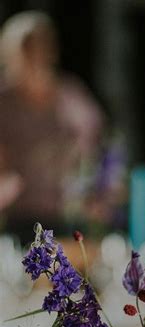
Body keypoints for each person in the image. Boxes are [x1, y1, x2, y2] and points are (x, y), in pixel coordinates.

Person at [0, 12, 105, 242]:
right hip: (14, 217)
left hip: (65, 215)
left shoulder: (71, 97)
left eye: (41, 46)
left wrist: (95, 187)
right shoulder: (3, 101)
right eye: (27, 48)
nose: (36, 56)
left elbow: (98, 142)